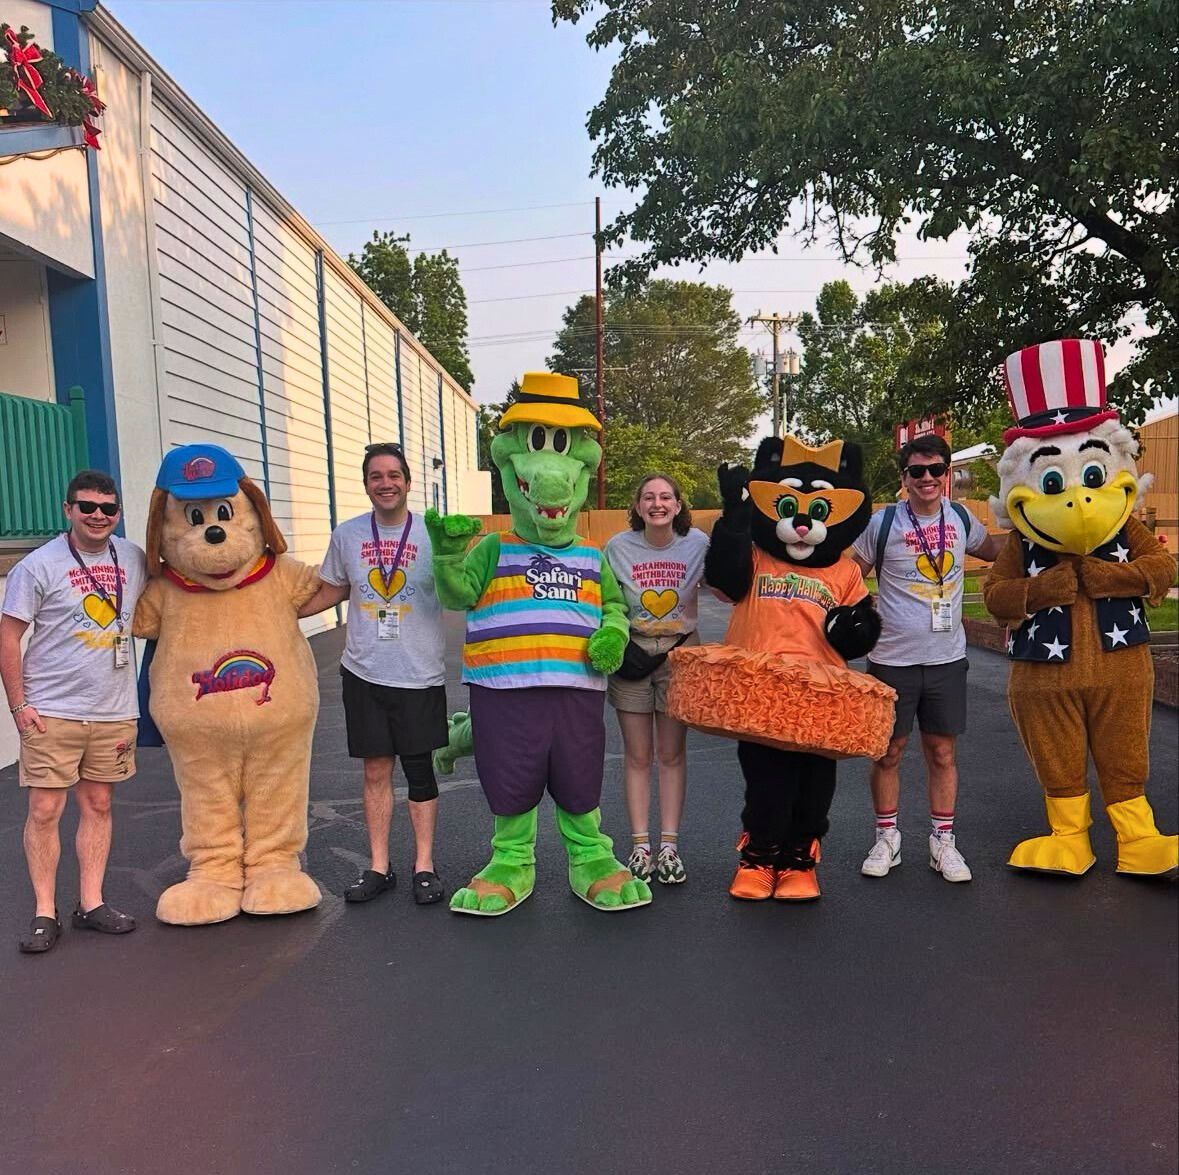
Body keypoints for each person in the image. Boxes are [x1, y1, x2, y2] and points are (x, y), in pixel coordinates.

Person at [1, 470, 147, 953]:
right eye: (87, 507)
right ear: (68, 510)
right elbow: (8, 636)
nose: (98, 516)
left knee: (99, 804)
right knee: (45, 809)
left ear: (117, 514)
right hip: (52, 709)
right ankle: (45, 911)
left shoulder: (132, 557)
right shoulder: (38, 566)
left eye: (108, 508)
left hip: (113, 709)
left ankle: (92, 903)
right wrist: (19, 705)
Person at [849, 435, 1005, 882]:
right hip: (891, 659)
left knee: (941, 752)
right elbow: (848, 575)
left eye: (936, 470)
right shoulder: (881, 524)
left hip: (947, 659)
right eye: (917, 471)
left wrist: (1038, 536)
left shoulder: (960, 519)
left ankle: (943, 842)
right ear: (905, 478)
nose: (927, 478)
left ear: (947, 475)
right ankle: (887, 839)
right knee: (888, 752)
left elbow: (997, 552)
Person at [299, 443, 449, 906]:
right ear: (365, 484)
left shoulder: (432, 535)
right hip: (364, 671)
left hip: (420, 672)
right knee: (375, 771)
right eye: (375, 476)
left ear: (407, 481)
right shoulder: (347, 535)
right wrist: (280, 618)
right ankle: (378, 866)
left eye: (393, 475)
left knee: (420, 772)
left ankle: (424, 865)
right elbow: (333, 588)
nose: (385, 483)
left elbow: (463, 586)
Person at [604, 474, 709, 885]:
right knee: (636, 755)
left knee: (671, 754)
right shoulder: (618, 547)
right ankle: (639, 847)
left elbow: (728, 579)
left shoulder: (697, 544)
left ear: (679, 505)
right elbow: (605, 601)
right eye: (649, 497)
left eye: (666, 497)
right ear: (637, 505)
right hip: (633, 655)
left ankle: (669, 846)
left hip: (680, 654)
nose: (657, 504)